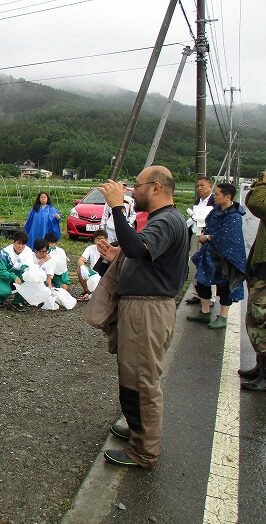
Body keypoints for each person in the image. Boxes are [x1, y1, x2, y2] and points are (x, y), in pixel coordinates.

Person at [97, 165, 188, 468]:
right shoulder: (165, 220)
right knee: (132, 374)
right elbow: (139, 254)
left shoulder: (168, 220)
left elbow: (137, 247)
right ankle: (138, 431)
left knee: (143, 380)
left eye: (136, 186)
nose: (132, 192)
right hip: (141, 308)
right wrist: (116, 256)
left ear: (157, 187)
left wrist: (116, 207)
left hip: (148, 310)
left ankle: (145, 451)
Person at [188, 182, 247, 329]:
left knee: (224, 286)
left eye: (218, 193)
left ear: (227, 196)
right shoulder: (215, 211)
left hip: (225, 257)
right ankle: (205, 312)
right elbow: (209, 225)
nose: (215, 196)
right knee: (202, 281)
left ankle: (223, 317)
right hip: (210, 253)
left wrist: (207, 237)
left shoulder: (234, 216)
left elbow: (227, 237)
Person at [241, 170, 266, 390]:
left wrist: (262, 182)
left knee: (260, 319)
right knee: (257, 317)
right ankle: (261, 366)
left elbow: (258, 203)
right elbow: (253, 199)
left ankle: (265, 374)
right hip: (261, 266)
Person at [0, 230, 33, 312]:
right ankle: (0, 298)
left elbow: (28, 268)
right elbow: (1, 271)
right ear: (14, 242)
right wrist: (13, 276)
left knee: (29, 279)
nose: (21, 246)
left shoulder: (28, 252)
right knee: (5, 292)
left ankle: (17, 301)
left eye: (23, 244)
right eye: (18, 243)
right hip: (1, 277)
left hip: (17, 276)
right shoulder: (5, 252)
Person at [77, 229, 108, 300]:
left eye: (102, 239)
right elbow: (80, 260)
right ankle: (87, 291)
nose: (100, 240)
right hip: (93, 272)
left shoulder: (109, 248)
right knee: (79, 268)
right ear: (94, 240)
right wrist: (82, 266)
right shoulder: (90, 248)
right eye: (97, 239)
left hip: (105, 274)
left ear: (106, 240)